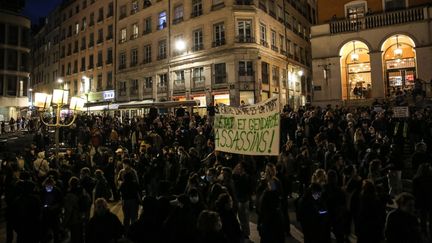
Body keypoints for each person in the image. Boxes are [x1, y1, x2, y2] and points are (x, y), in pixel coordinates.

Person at [412, 163, 432, 235]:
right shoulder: (430, 178)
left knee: (422, 217)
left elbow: (414, 192)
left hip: (421, 200)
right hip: (430, 199)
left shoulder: (416, 179)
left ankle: (424, 232)